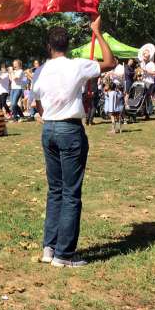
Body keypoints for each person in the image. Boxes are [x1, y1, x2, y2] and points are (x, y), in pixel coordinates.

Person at [31, 15, 114, 268]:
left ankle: (49, 247)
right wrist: (97, 32)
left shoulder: (40, 70)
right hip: (69, 129)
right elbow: (110, 62)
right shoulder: (77, 65)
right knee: (70, 193)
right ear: (68, 45)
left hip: (50, 130)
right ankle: (64, 255)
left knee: (55, 190)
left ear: (49, 46)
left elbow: (37, 102)